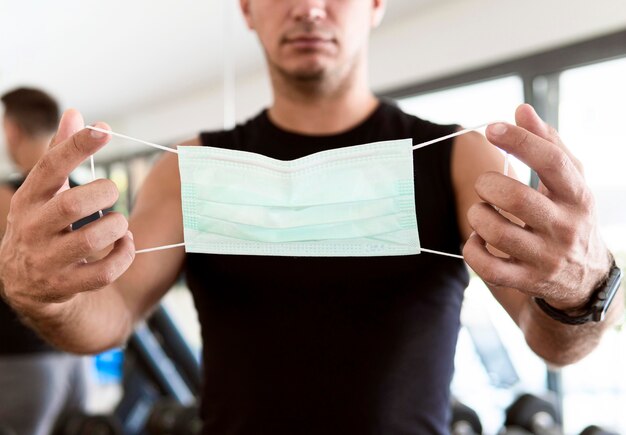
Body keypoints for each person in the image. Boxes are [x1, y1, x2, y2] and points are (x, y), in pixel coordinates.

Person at [0, 1, 622, 434]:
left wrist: (590, 284)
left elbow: (549, 340)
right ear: (247, 7)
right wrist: (40, 295)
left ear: (374, 3)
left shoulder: (459, 157)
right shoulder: (190, 166)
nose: (309, 7)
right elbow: (108, 318)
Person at [0, 88, 92, 435]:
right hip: (77, 357)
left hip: (23, 359)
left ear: (12, 130)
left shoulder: (6, 198)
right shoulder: (89, 199)